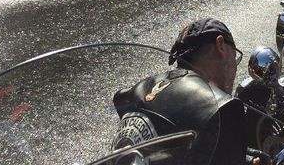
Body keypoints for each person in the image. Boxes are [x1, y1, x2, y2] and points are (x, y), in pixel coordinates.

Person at [112, 18, 268, 165]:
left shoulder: (136, 92)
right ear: (220, 45)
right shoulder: (220, 107)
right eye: (234, 57)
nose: (234, 69)